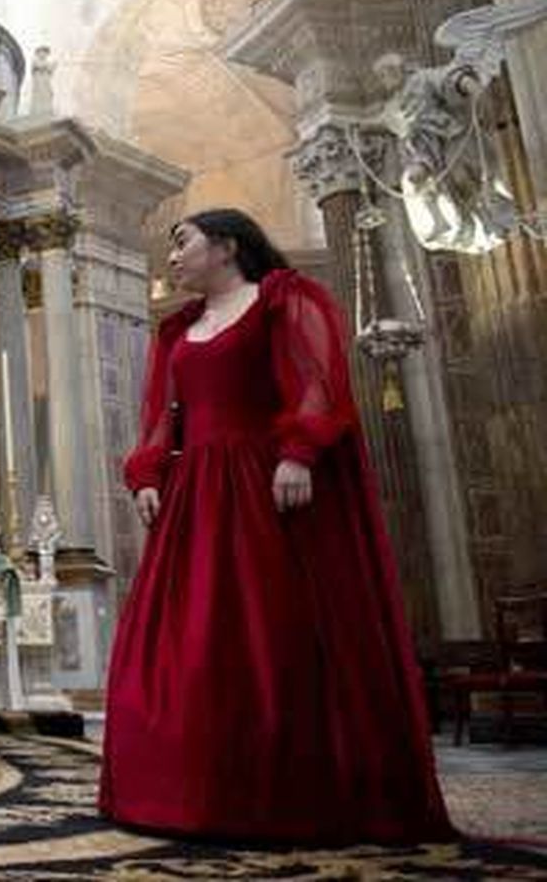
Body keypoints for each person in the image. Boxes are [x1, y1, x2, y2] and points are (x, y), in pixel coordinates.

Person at [99, 208, 452, 843]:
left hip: (266, 485)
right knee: (188, 644)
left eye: (182, 243)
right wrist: (147, 475)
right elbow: (161, 417)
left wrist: (299, 452)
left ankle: (287, 791)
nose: (171, 258)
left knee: (274, 632)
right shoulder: (177, 328)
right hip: (195, 499)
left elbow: (318, 380)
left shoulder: (284, 298)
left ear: (228, 245)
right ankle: (190, 790)